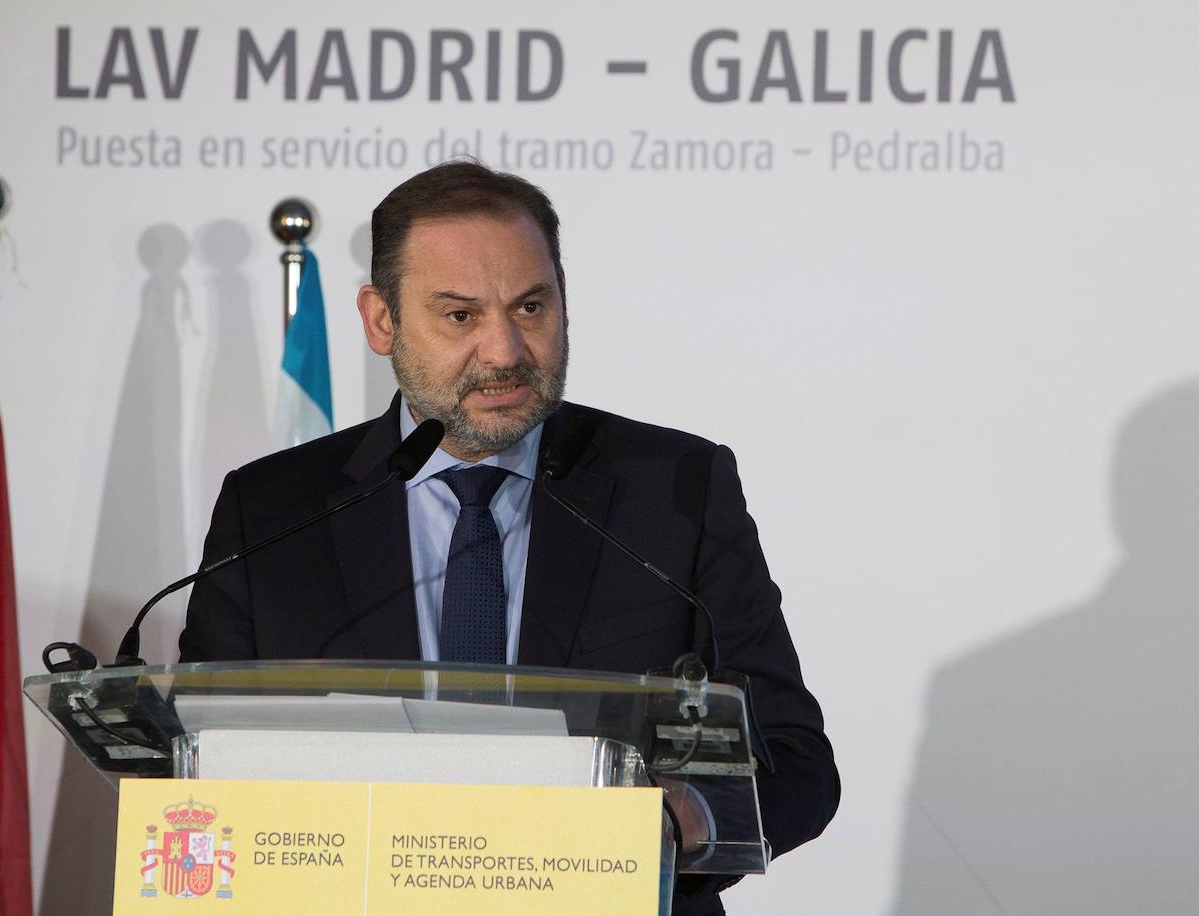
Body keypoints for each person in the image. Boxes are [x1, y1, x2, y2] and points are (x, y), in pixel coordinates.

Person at [179, 161, 838, 915]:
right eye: (460, 316)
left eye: (530, 307)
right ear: (381, 320)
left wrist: (683, 816)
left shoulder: (677, 488)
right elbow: (200, 762)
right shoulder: (272, 512)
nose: (504, 352)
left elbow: (795, 762)